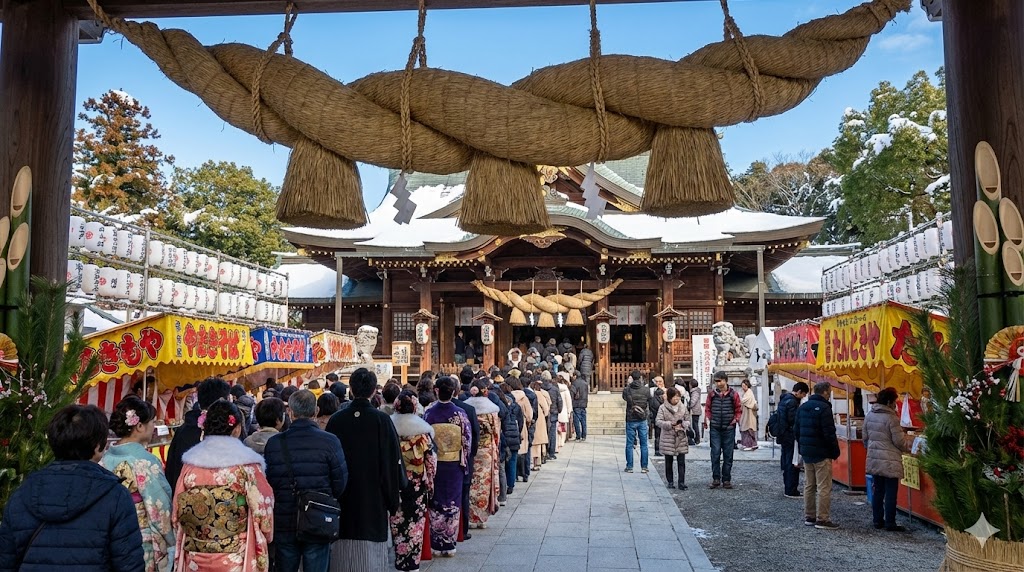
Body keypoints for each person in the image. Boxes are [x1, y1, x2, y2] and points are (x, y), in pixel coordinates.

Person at [0, 404, 145, 571]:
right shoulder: (115, 495)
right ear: (98, 445)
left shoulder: (22, 494)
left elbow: (5, 563)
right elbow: (129, 565)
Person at [174, 399, 274, 571]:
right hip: (235, 554)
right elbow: (263, 511)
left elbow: (177, 513)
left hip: (196, 553)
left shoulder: (190, 465)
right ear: (236, 429)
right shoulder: (247, 467)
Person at [325, 368, 403, 570]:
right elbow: (391, 461)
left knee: (342, 555)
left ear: (351, 389)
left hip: (344, 495)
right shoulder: (381, 420)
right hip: (373, 495)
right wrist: (393, 499)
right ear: (373, 392)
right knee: (371, 558)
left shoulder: (336, 420)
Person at [264, 390, 348, 572]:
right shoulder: (330, 442)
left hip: (284, 518)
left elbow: (269, 482)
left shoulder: (274, 443)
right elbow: (340, 482)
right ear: (316, 411)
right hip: (318, 516)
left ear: (291, 413)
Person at [101, 396, 175, 572]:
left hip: (109, 535)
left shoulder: (105, 459)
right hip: (140, 537)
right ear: (139, 426)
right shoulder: (145, 462)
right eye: (151, 422)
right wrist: (171, 540)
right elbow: (159, 507)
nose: (153, 426)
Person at [423, 376, 473, 557]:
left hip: (435, 463)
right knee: (452, 502)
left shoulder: (429, 413)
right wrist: (464, 461)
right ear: (453, 392)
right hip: (454, 464)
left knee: (436, 502)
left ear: (436, 391)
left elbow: (425, 440)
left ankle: (437, 543)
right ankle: (449, 544)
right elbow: (467, 441)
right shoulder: (460, 414)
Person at [389, 390, 437, 571]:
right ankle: (412, 563)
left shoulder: (389, 429)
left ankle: (399, 559)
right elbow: (431, 462)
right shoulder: (422, 431)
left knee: (397, 520)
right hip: (417, 483)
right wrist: (430, 483)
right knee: (415, 523)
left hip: (394, 481)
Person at [164, 377, 231, 489]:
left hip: (183, 496)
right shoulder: (226, 431)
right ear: (223, 401)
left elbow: (171, 471)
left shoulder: (183, 431)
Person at [795, 381, 841, 530]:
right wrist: (835, 451)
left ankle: (809, 516)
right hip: (822, 452)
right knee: (823, 486)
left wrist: (803, 447)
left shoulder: (802, 408)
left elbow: (796, 430)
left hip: (807, 452)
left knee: (809, 485)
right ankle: (823, 518)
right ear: (826, 392)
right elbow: (829, 433)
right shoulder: (824, 408)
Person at [864, 387, 910, 532]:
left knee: (878, 491)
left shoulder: (869, 415)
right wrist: (907, 448)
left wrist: (872, 450)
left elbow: (864, 438)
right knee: (890, 492)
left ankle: (877, 520)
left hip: (875, 459)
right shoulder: (892, 418)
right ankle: (890, 522)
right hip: (890, 460)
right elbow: (899, 442)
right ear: (890, 401)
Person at [464, 380, 501, 528]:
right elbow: (495, 433)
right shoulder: (491, 410)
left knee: (472, 482)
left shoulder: (466, 408)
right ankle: (481, 518)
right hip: (486, 450)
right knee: (484, 483)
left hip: (471, 449)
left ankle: (472, 516)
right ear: (484, 391)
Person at [703, 371, 741, 489]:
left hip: (729, 428)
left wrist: (735, 420)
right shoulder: (712, 394)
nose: (718, 383)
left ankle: (726, 479)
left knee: (728, 454)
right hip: (715, 427)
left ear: (725, 380)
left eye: (720, 381)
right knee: (715, 453)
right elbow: (708, 408)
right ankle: (716, 478)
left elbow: (738, 409)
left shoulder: (733, 394)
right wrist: (708, 419)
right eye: (716, 381)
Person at [777, 383, 809, 498]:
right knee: (792, 462)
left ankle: (788, 487)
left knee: (787, 461)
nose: (804, 396)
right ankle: (791, 489)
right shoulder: (792, 402)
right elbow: (793, 421)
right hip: (790, 436)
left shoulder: (784, 400)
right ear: (799, 391)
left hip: (783, 435)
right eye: (804, 394)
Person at [655, 387, 691, 490]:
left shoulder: (683, 407)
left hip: (680, 436)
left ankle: (681, 482)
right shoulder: (663, 407)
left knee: (681, 461)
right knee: (668, 461)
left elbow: (688, 420)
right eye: (675, 398)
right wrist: (670, 424)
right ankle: (670, 481)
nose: (677, 399)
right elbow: (658, 421)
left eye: (678, 397)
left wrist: (683, 424)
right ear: (670, 398)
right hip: (668, 437)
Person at [497, 383, 525, 496]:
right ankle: (511, 485)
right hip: (514, 435)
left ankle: (503, 486)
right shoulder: (516, 406)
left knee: (503, 463)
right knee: (512, 460)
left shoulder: (500, 407)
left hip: (504, 435)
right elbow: (521, 422)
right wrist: (518, 433)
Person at [507, 377, 534, 486]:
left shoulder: (507, 397)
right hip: (521, 425)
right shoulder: (524, 397)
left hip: (510, 427)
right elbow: (529, 415)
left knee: (513, 454)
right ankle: (525, 473)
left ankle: (514, 476)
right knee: (524, 451)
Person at [622, 370, 650, 473]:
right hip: (642, 418)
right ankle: (644, 466)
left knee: (629, 444)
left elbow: (625, 398)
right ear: (640, 378)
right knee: (644, 444)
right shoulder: (646, 390)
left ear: (632, 378)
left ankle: (629, 466)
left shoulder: (627, 390)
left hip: (630, 418)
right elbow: (648, 400)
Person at [529, 379, 552, 471]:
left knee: (533, 440)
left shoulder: (529, 394)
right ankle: (537, 461)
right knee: (538, 441)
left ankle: (532, 462)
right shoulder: (539, 394)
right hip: (540, 418)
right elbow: (546, 409)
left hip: (531, 418)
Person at [540, 371, 562, 460]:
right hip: (553, 412)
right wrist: (559, 410)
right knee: (552, 433)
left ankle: (544, 452)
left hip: (543, 414)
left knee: (543, 432)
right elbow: (559, 401)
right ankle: (551, 452)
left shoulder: (540, 388)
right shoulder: (555, 389)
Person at [739, 379, 759, 450]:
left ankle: (750, 445)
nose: (743, 387)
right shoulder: (746, 393)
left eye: (744, 386)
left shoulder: (749, 393)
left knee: (749, 428)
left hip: (749, 414)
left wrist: (740, 400)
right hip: (746, 413)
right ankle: (747, 444)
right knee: (746, 429)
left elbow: (745, 401)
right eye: (742, 386)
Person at [556, 372, 573, 452]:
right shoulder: (565, 389)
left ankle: (558, 441)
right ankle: (562, 441)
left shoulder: (555, 388)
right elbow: (568, 401)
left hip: (557, 410)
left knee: (557, 427)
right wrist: (569, 411)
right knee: (563, 427)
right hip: (564, 410)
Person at [570, 371, 589, 442]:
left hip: (576, 404)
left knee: (576, 421)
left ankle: (578, 436)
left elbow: (572, 395)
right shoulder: (585, 383)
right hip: (583, 404)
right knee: (583, 420)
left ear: (575, 376)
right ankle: (584, 435)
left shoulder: (574, 383)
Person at [649, 387, 665, 456]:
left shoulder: (652, 400)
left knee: (657, 435)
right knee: (658, 436)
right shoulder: (659, 402)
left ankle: (658, 449)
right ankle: (658, 450)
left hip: (654, 419)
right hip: (658, 419)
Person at [688, 379, 702, 445]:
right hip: (696, 410)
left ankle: (697, 438)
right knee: (695, 425)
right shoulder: (696, 391)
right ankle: (697, 438)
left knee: (695, 425)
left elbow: (693, 401)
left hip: (695, 410)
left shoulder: (695, 392)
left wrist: (689, 406)